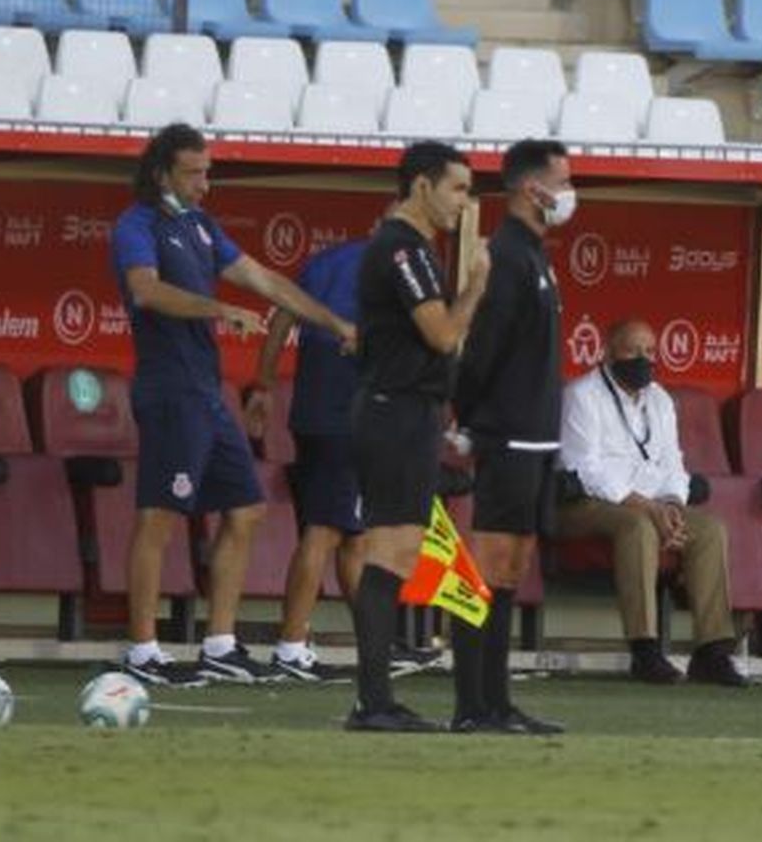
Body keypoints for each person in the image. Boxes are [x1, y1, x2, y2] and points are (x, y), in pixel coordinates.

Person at [110, 123, 355, 687]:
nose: (204, 185)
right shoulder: (137, 225)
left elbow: (264, 279)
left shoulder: (200, 226)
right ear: (161, 173)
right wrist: (220, 311)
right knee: (158, 517)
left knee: (245, 509)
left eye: (208, 172)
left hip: (207, 393)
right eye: (194, 173)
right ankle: (143, 651)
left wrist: (332, 320)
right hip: (170, 390)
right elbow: (146, 290)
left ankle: (219, 644)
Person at [248, 221, 442, 683]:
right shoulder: (396, 268)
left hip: (314, 412)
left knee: (353, 535)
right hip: (351, 413)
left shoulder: (326, 260)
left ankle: (376, 646)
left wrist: (264, 383)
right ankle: (291, 648)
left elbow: (282, 316)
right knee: (325, 531)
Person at [345, 141, 487, 732]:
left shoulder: (418, 249)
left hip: (409, 413)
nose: (464, 201)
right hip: (393, 413)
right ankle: (373, 702)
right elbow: (442, 334)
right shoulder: (401, 246)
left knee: (398, 553)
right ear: (422, 186)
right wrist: (477, 283)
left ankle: (376, 700)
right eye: (457, 187)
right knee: (390, 552)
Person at [451, 139, 575, 735]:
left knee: (510, 574)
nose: (572, 194)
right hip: (507, 437)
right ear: (533, 188)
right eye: (565, 181)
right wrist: (470, 419)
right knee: (487, 570)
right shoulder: (506, 255)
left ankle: (498, 704)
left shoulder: (535, 255)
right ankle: (473, 707)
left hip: (537, 437)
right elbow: (482, 350)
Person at [558, 319, 745, 687]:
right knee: (637, 526)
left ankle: (711, 652)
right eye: (633, 351)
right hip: (584, 504)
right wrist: (649, 509)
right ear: (608, 353)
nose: (643, 359)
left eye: (650, 352)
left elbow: (673, 462)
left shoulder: (659, 400)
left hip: (653, 504)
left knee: (709, 530)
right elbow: (585, 470)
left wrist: (673, 505)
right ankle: (645, 649)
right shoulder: (582, 394)